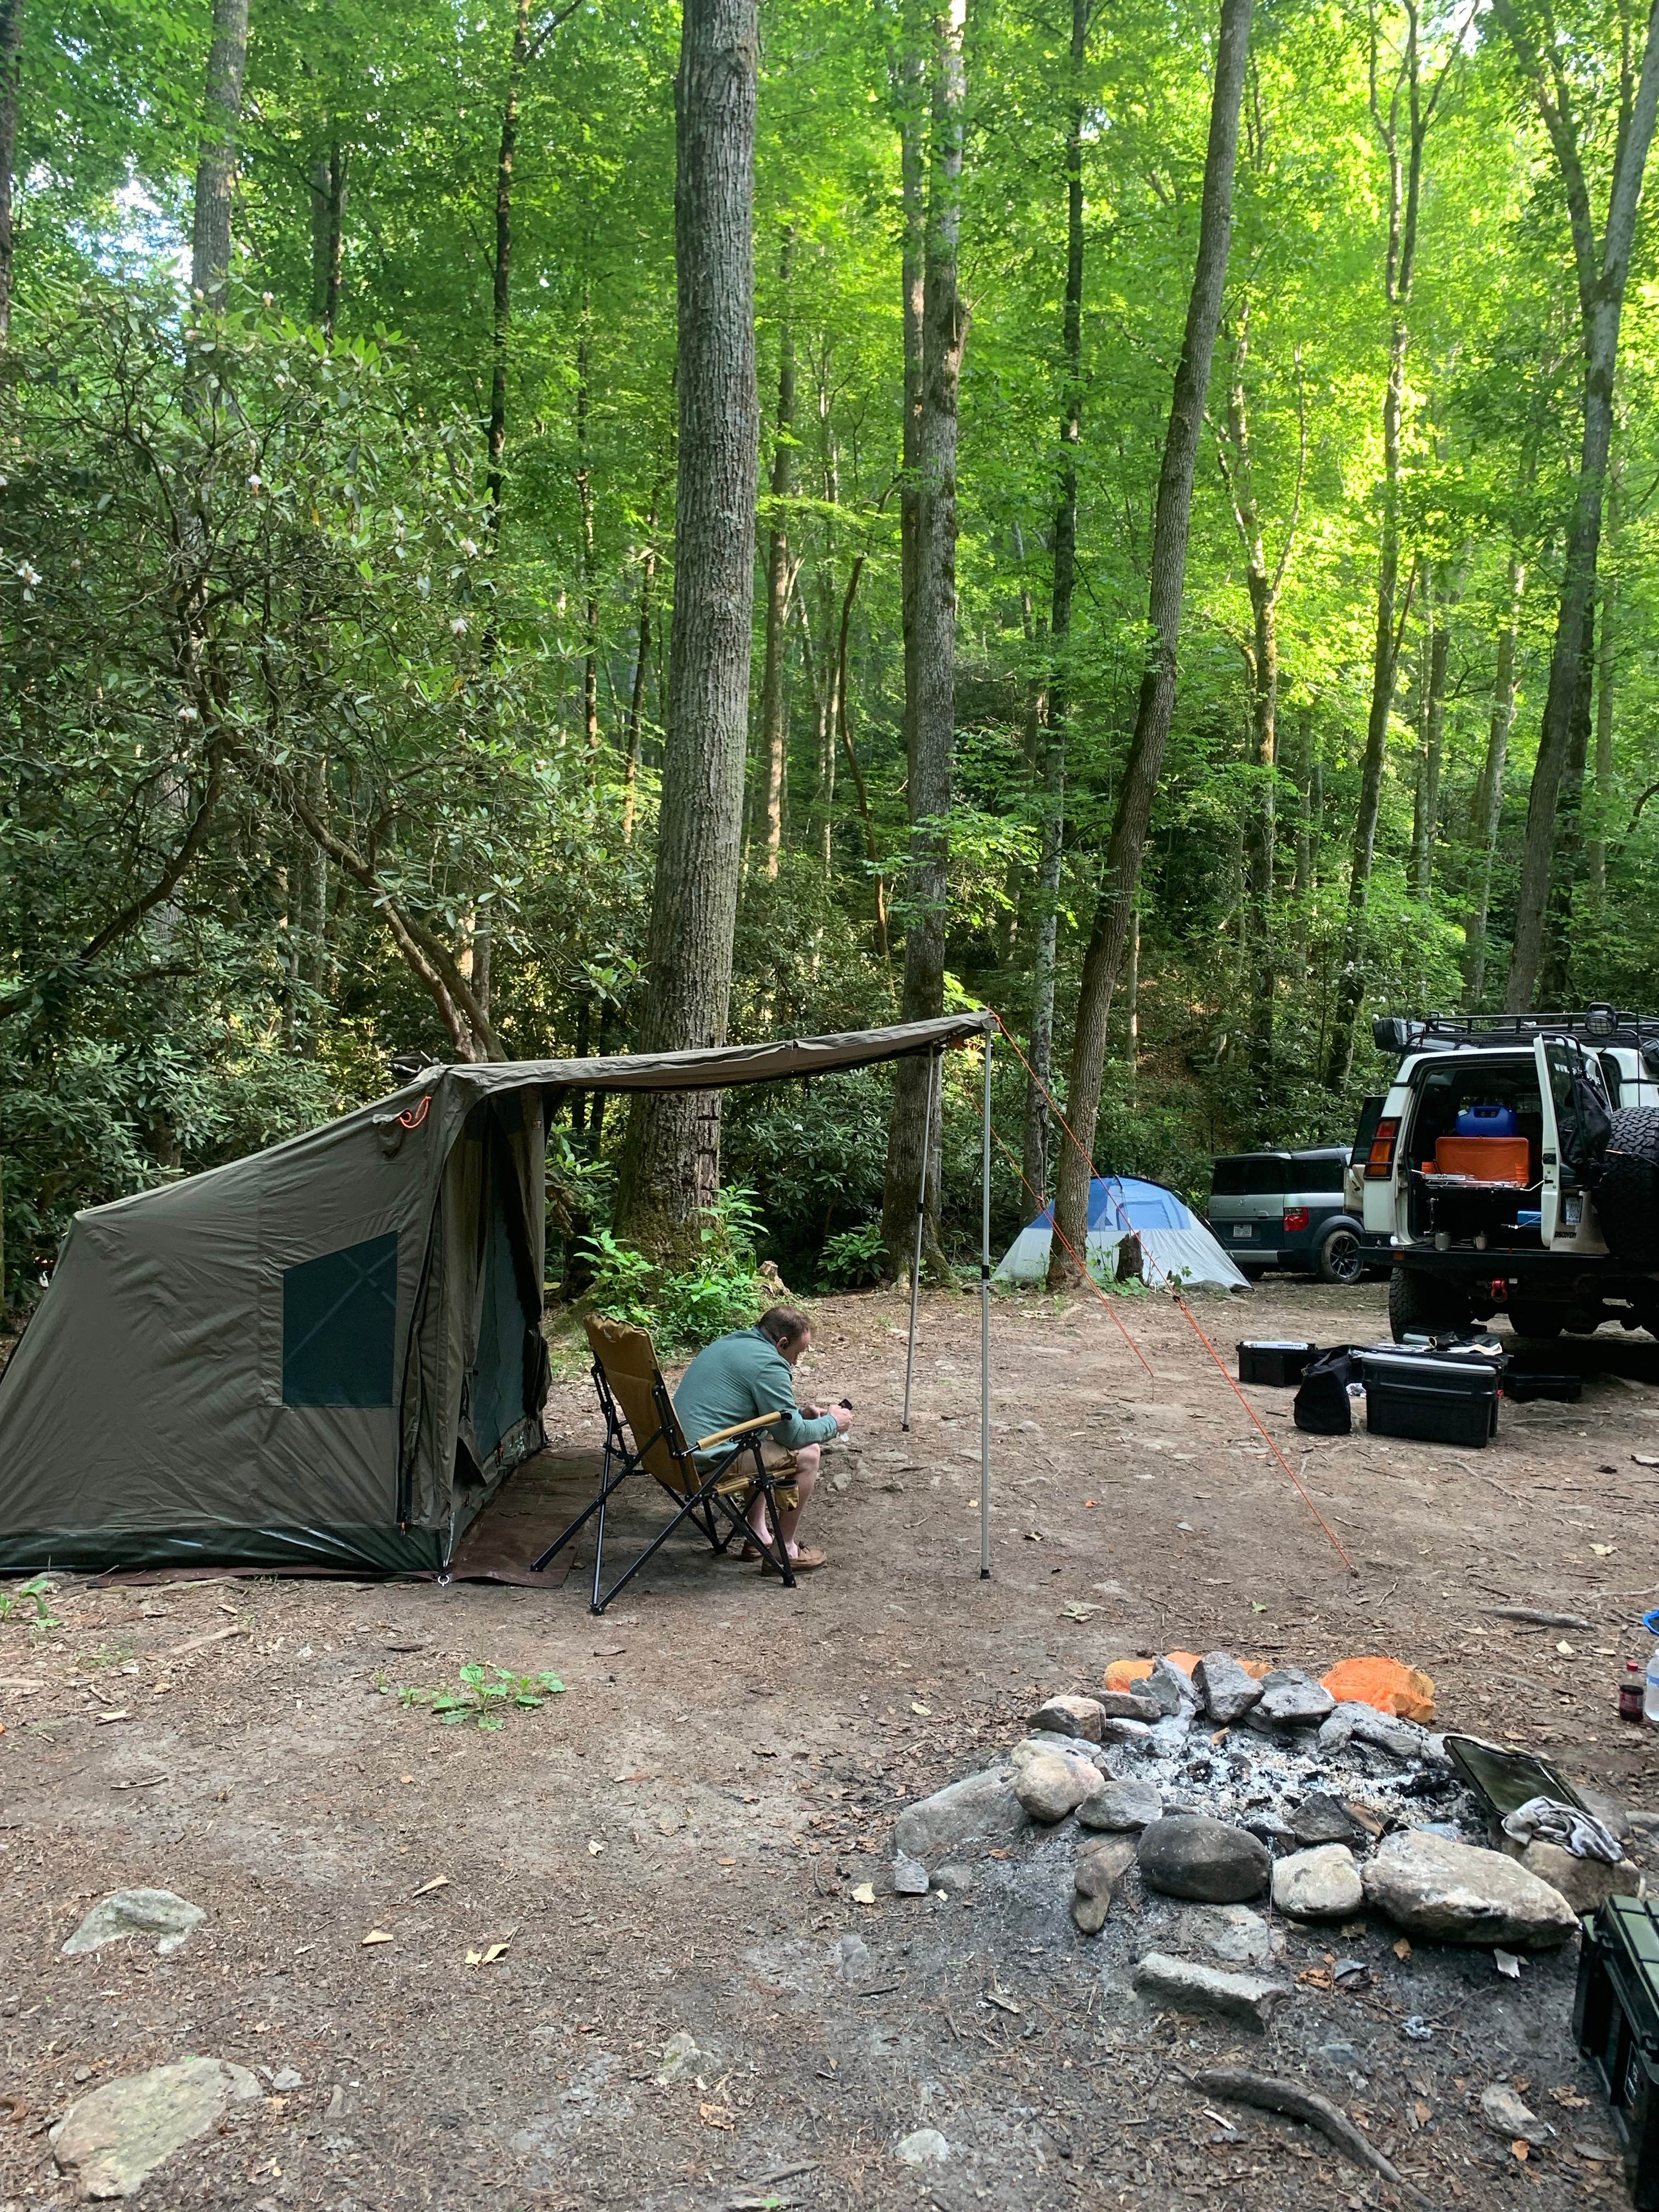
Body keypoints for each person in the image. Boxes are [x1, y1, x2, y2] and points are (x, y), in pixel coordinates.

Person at [672, 1305, 851, 1573]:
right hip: (704, 1464)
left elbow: (767, 1419)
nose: (796, 1362)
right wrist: (832, 1423)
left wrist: (800, 1415)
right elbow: (794, 1437)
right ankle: (785, 1549)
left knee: (761, 1433)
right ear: (782, 1342)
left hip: (671, 1455)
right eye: (797, 1353)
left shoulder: (731, 1342)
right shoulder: (769, 1364)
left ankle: (757, 1536)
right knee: (809, 1454)